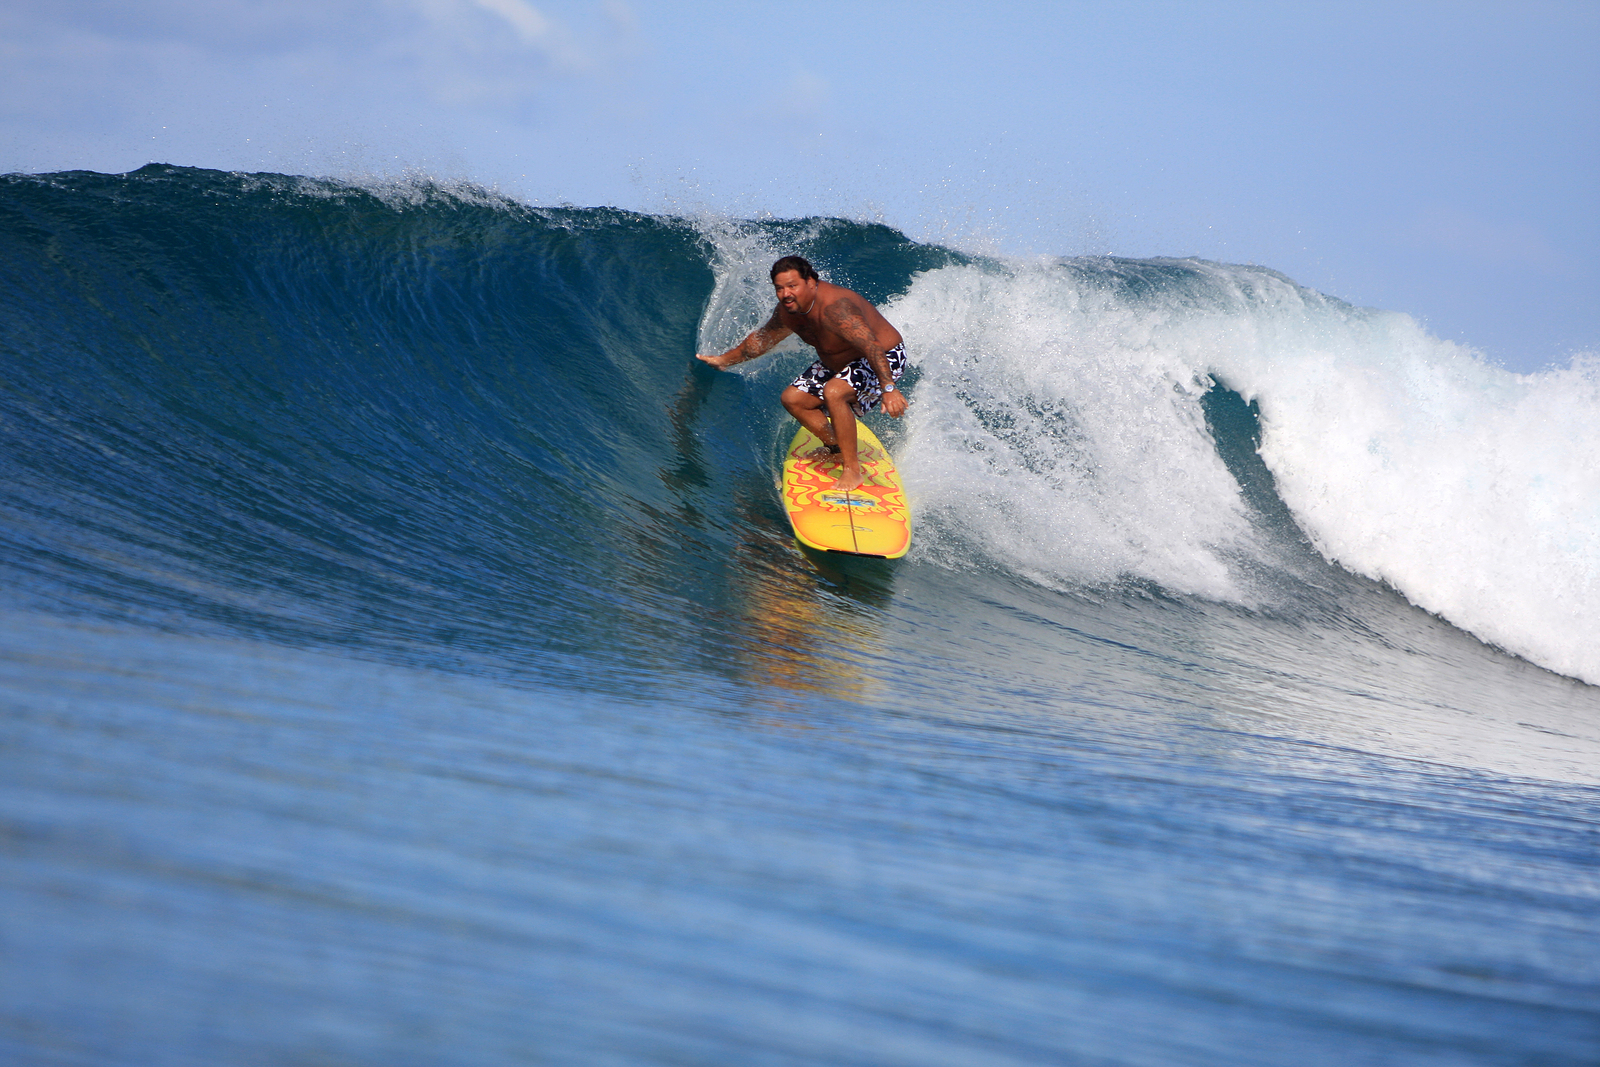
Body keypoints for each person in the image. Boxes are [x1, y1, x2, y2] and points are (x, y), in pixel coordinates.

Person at [697, 256, 907, 492]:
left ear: (810, 282)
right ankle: (838, 449)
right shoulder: (789, 313)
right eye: (779, 288)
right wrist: (725, 360)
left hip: (884, 357)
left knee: (834, 391)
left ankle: (853, 470)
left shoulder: (836, 309)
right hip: (842, 363)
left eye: (792, 286)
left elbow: (872, 346)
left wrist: (889, 388)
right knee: (793, 399)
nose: (786, 294)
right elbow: (762, 341)